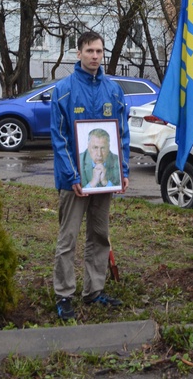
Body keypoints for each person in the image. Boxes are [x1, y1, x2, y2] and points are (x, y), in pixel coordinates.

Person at [50, 31, 130, 320]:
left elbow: (121, 133)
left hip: (105, 180)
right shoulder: (65, 90)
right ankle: (64, 294)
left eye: (99, 51)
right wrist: (73, 175)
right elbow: (59, 138)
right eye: (89, 51)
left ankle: (94, 290)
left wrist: (122, 170)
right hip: (72, 182)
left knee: (99, 235)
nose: (95, 56)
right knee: (67, 238)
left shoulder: (114, 90)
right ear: (79, 53)